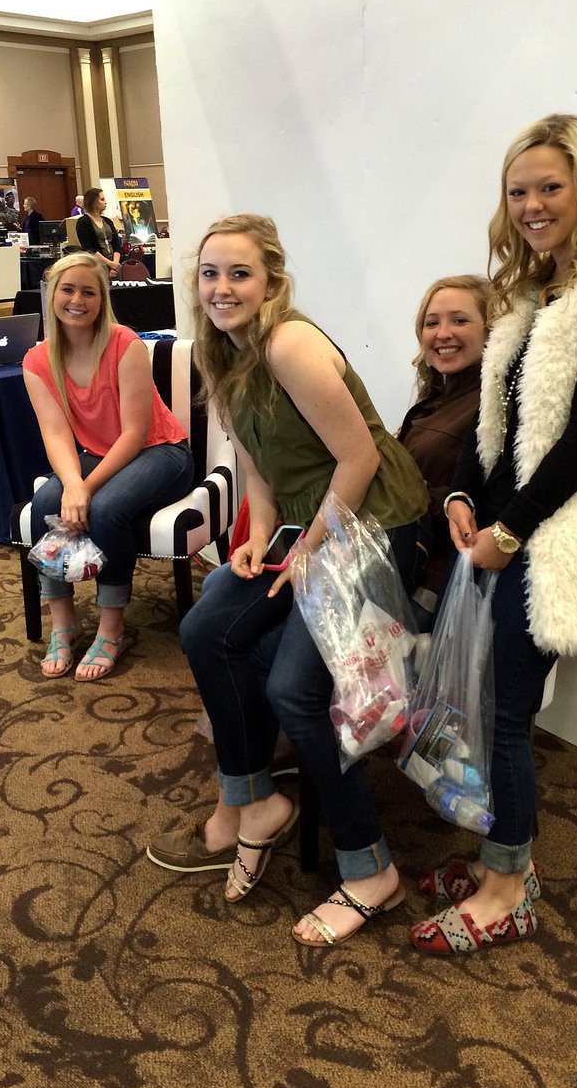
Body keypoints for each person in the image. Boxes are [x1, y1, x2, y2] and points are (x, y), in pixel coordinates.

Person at [411, 113, 577, 956]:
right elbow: (505, 429)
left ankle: (507, 887)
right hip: (519, 523)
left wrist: (510, 531)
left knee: (506, 713)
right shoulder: (536, 291)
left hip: (566, 532)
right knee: (494, 705)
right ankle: (506, 863)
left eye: (550, 188)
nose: (532, 205)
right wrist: (465, 495)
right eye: (519, 190)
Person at [150, 214, 428, 947]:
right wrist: (254, 535)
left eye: (239, 273)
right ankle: (254, 799)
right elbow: (257, 463)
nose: (222, 287)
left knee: (294, 689)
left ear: (272, 280)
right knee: (206, 629)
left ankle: (371, 871)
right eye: (209, 273)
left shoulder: (290, 344)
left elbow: (360, 461)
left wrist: (305, 550)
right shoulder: (221, 351)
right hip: (312, 525)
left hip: (376, 522)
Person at [22, 251, 195, 681]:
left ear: (102, 299)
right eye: (68, 289)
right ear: (52, 295)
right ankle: (63, 623)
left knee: (102, 509)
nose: (77, 299)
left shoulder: (124, 344)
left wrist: (85, 487)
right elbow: (57, 435)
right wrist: (70, 484)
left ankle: (111, 627)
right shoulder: (37, 360)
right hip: (99, 454)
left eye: (89, 291)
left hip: (161, 451)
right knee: (46, 499)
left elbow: (135, 433)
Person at [398, 275, 490, 626]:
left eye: (460, 320)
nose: (443, 333)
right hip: (400, 572)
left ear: (489, 330)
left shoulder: (490, 406)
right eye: (432, 322)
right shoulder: (434, 400)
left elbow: (484, 497)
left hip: (430, 588)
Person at [76, 188, 122, 278]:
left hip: (114, 266)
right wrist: (109, 263)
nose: (105, 202)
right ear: (93, 202)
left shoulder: (108, 221)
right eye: (102, 199)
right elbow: (88, 248)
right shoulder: (83, 222)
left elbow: (116, 244)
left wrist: (114, 265)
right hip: (96, 266)